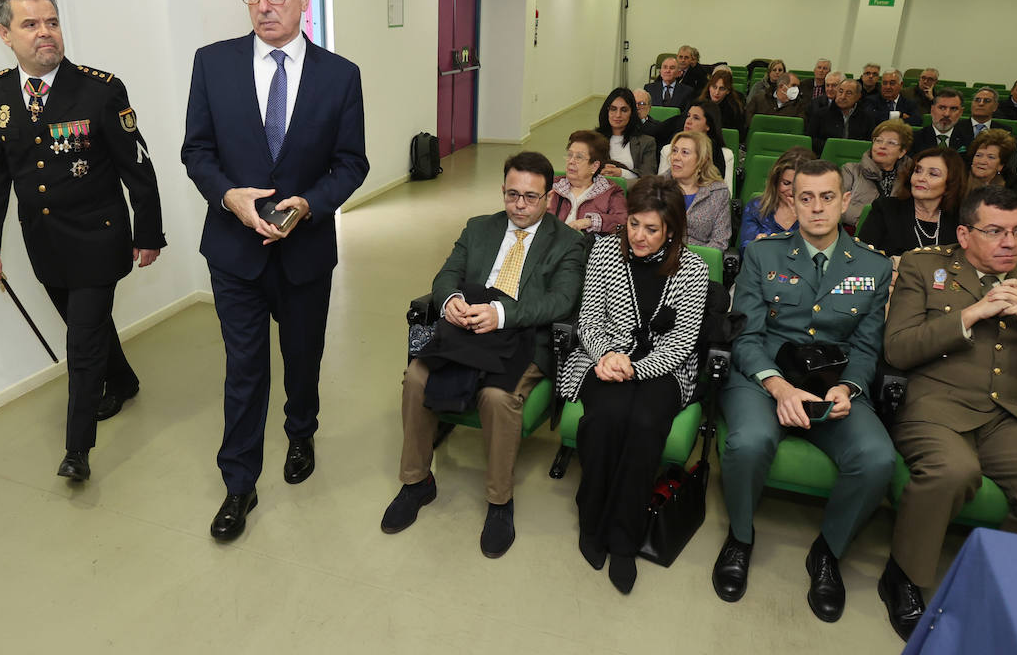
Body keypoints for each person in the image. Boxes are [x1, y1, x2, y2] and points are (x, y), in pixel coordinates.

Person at [182, 0, 369, 540]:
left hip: (304, 252)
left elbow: (351, 163)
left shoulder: (340, 77)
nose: (264, 7)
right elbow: (197, 150)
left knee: (302, 357)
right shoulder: (212, 64)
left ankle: (301, 432)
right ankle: (239, 482)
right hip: (234, 253)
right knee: (244, 367)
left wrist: (312, 203)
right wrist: (228, 196)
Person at [878, 186, 1017, 641]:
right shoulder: (924, 265)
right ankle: (905, 576)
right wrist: (972, 314)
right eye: (995, 231)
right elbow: (898, 350)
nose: (1010, 243)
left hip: (1012, 416)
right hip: (936, 403)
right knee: (952, 471)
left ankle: (995, 580)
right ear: (964, 233)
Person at [0, 0, 166, 483]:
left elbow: (137, 166)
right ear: (3, 33)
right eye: (30, 24)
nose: (46, 33)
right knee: (90, 327)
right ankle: (123, 380)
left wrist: (149, 232)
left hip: (100, 238)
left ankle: (77, 450)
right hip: (44, 241)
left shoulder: (99, 89)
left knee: (80, 343)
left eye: (52, 21)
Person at [715, 160, 895, 621]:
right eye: (805, 197)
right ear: (791, 201)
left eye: (827, 197)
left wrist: (849, 389)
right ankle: (740, 536)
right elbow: (747, 335)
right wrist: (778, 387)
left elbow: (866, 345)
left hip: (834, 383)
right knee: (748, 442)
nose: (816, 207)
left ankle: (829, 552)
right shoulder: (762, 254)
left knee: (876, 458)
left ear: (845, 201)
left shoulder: (872, 266)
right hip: (765, 375)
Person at [381, 152, 585, 556]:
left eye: (531, 197)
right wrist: (451, 299)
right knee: (416, 378)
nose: (520, 206)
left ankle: (499, 500)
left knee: (496, 397)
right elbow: (446, 275)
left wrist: (502, 314)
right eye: (512, 195)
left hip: (523, 337)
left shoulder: (567, 242)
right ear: (503, 191)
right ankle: (416, 482)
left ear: (548, 197)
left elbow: (561, 302)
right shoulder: (478, 228)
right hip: (467, 330)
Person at [558, 176, 710, 593]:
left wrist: (634, 368)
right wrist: (607, 357)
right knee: (606, 416)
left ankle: (624, 537)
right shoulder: (605, 250)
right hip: (601, 357)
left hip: (662, 368)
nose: (639, 237)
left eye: (652, 229)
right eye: (634, 225)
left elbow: (680, 344)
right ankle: (591, 519)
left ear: (672, 230)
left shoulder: (692, 268)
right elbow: (588, 319)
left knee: (644, 424)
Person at [858, 148, 964, 259]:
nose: (921, 178)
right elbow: (862, 257)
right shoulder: (886, 209)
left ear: (950, 183)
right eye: (917, 171)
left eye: (933, 174)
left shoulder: (959, 219)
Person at [549, 131, 627, 234]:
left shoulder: (611, 192)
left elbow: (622, 221)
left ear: (594, 166)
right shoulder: (553, 185)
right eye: (570, 155)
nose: (571, 161)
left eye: (579, 157)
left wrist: (589, 222)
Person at [667, 130, 731, 250]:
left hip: (701, 261)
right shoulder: (658, 186)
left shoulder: (718, 192)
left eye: (685, 152)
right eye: (674, 151)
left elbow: (720, 241)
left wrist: (692, 261)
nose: (676, 157)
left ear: (702, 160)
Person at [841, 120, 912, 228]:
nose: (882, 146)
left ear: (902, 152)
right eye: (878, 140)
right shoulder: (850, 170)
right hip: (856, 232)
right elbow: (835, 202)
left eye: (891, 143)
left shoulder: (909, 177)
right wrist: (867, 220)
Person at [740, 146, 817, 244]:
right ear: (776, 181)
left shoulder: (820, 214)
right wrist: (756, 247)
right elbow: (745, 250)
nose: (791, 192)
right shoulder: (756, 207)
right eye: (786, 183)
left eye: (799, 185)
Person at [657, 101, 733, 187]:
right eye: (688, 116)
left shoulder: (726, 155)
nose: (688, 121)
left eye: (696, 118)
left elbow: (727, 193)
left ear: (708, 125)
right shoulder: (668, 150)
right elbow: (660, 188)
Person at [595, 88, 658, 180]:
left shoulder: (647, 142)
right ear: (607, 111)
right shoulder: (593, 139)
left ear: (632, 113)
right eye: (613, 109)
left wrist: (621, 173)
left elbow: (648, 176)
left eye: (624, 110)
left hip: (631, 191)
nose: (618, 115)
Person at [812, 78, 876, 154]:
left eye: (848, 93)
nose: (843, 96)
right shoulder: (820, 114)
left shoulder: (867, 117)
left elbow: (870, 143)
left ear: (858, 96)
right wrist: (832, 147)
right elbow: (811, 139)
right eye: (840, 91)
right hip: (825, 155)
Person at [963, 129, 1017, 201]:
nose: (982, 161)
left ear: (1000, 166)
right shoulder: (958, 179)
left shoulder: (1013, 188)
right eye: (978, 155)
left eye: (991, 157)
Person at [911, 89, 973, 154]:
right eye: (942, 108)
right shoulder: (914, 139)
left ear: (961, 112)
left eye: (953, 109)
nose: (947, 114)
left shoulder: (968, 141)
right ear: (932, 110)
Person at [745, 71, 810, 132]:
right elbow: (749, 121)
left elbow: (798, 126)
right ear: (781, 86)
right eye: (793, 85)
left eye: (798, 86)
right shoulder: (759, 99)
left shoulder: (800, 105)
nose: (796, 89)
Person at [701, 66, 747, 131]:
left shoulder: (734, 109)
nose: (716, 92)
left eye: (722, 89)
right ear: (709, 87)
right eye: (714, 87)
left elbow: (739, 135)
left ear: (728, 91)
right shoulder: (698, 103)